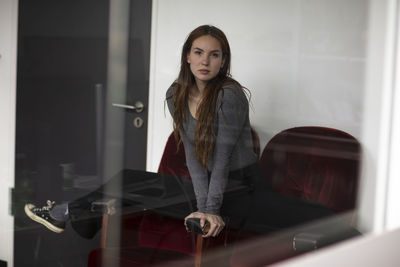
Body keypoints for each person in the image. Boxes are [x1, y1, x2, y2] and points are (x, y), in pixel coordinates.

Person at [25, 25, 358, 241]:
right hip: (210, 185)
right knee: (130, 179)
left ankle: (363, 243)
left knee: (316, 219)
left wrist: (210, 209)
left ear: (223, 60)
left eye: (214, 55)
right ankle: (67, 213)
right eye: (199, 52)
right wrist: (204, 206)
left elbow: (222, 158)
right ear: (187, 56)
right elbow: (195, 159)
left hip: (242, 185)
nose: (205, 61)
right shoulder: (176, 95)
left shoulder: (230, 95)